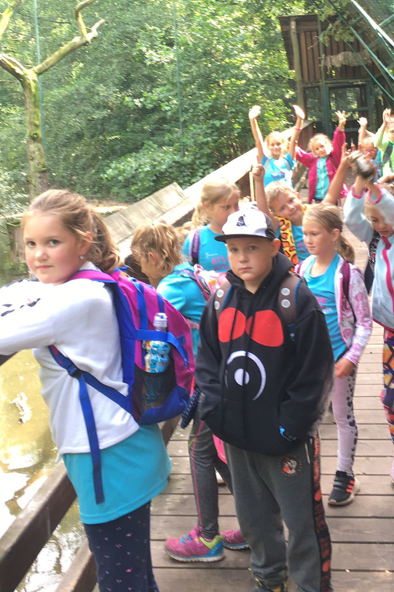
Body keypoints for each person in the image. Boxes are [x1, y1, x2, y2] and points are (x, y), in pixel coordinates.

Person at [0, 189, 170, 592]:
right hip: (121, 443)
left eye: (52, 242)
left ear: (82, 243)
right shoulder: (80, 283)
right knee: (135, 577)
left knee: (121, 582)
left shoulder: (73, 300)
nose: (39, 255)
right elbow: (22, 288)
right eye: (31, 244)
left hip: (108, 455)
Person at [196, 206, 334, 592]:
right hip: (237, 435)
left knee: (302, 520)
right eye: (233, 249)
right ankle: (269, 577)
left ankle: (311, 585)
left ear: (273, 247)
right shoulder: (220, 297)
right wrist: (215, 411)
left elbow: (315, 373)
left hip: (285, 439)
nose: (242, 258)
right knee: (253, 517)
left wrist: (290, 427)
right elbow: (207, 360)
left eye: (252, 248)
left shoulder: (296, 299)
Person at [130, 221, 248, 563]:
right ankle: (254, 524)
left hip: (211, 382)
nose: (140, 267)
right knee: (217, 453)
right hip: (226, 375)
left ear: (153, 256)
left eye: (141, 259)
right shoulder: (189, 274)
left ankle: (207, 537)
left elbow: (146, 325)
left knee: (199, 451)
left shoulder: (171, 288)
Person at [325, 149, 394, 494]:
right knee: (390, 398)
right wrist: (360, 184)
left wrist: (375, 189)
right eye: (374, 219)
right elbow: (352, 218)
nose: (378, 225)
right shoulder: (373, 241)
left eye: (382, 218)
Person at [297, 204, 372, 507]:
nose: (308, 239)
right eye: (305, 233)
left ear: (334, 235)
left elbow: (364, 322)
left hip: (339, 359)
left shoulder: (347, 275)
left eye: (314, 233)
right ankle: (304, 475)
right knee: (306, 417)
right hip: (308, 361)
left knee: (342, 415)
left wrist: (351, 357)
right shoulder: (301, 271)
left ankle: (345, 475)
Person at [289, 103, 347, 203]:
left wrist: (340, 127)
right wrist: (290, 143)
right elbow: (299, 154)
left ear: (328, 145)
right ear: (314, 151)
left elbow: (338, 142)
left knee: (332, 213)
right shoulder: (312, 159)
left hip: (332, 196)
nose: (320, 150)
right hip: (318, 197)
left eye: (322, 146)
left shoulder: (334, 158)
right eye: (317, 149)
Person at [181, 179, 240, 271]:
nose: (233, 212)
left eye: (236, 205)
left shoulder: (248, 233)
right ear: (207, 207)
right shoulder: (195, 241)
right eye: (226, 207)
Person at [255, 174, 309, 264]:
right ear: (276, 214)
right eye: (282, 208)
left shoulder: (313, 215)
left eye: (291, 200)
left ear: (298, 197)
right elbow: (263, 211)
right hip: (299, 270)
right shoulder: (281, 226)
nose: (290, 207)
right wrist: (259, 182)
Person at [249, 104, 295, 187]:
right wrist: (253, 120)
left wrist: (300, 120)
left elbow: (294, 140)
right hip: (269, 195)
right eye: (272, 145)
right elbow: (258, 141)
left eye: (278, 144)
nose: (276, 147)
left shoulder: (288, 161)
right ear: (268, 147)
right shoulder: (265, 162)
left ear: (284, 144)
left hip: (287, 194)